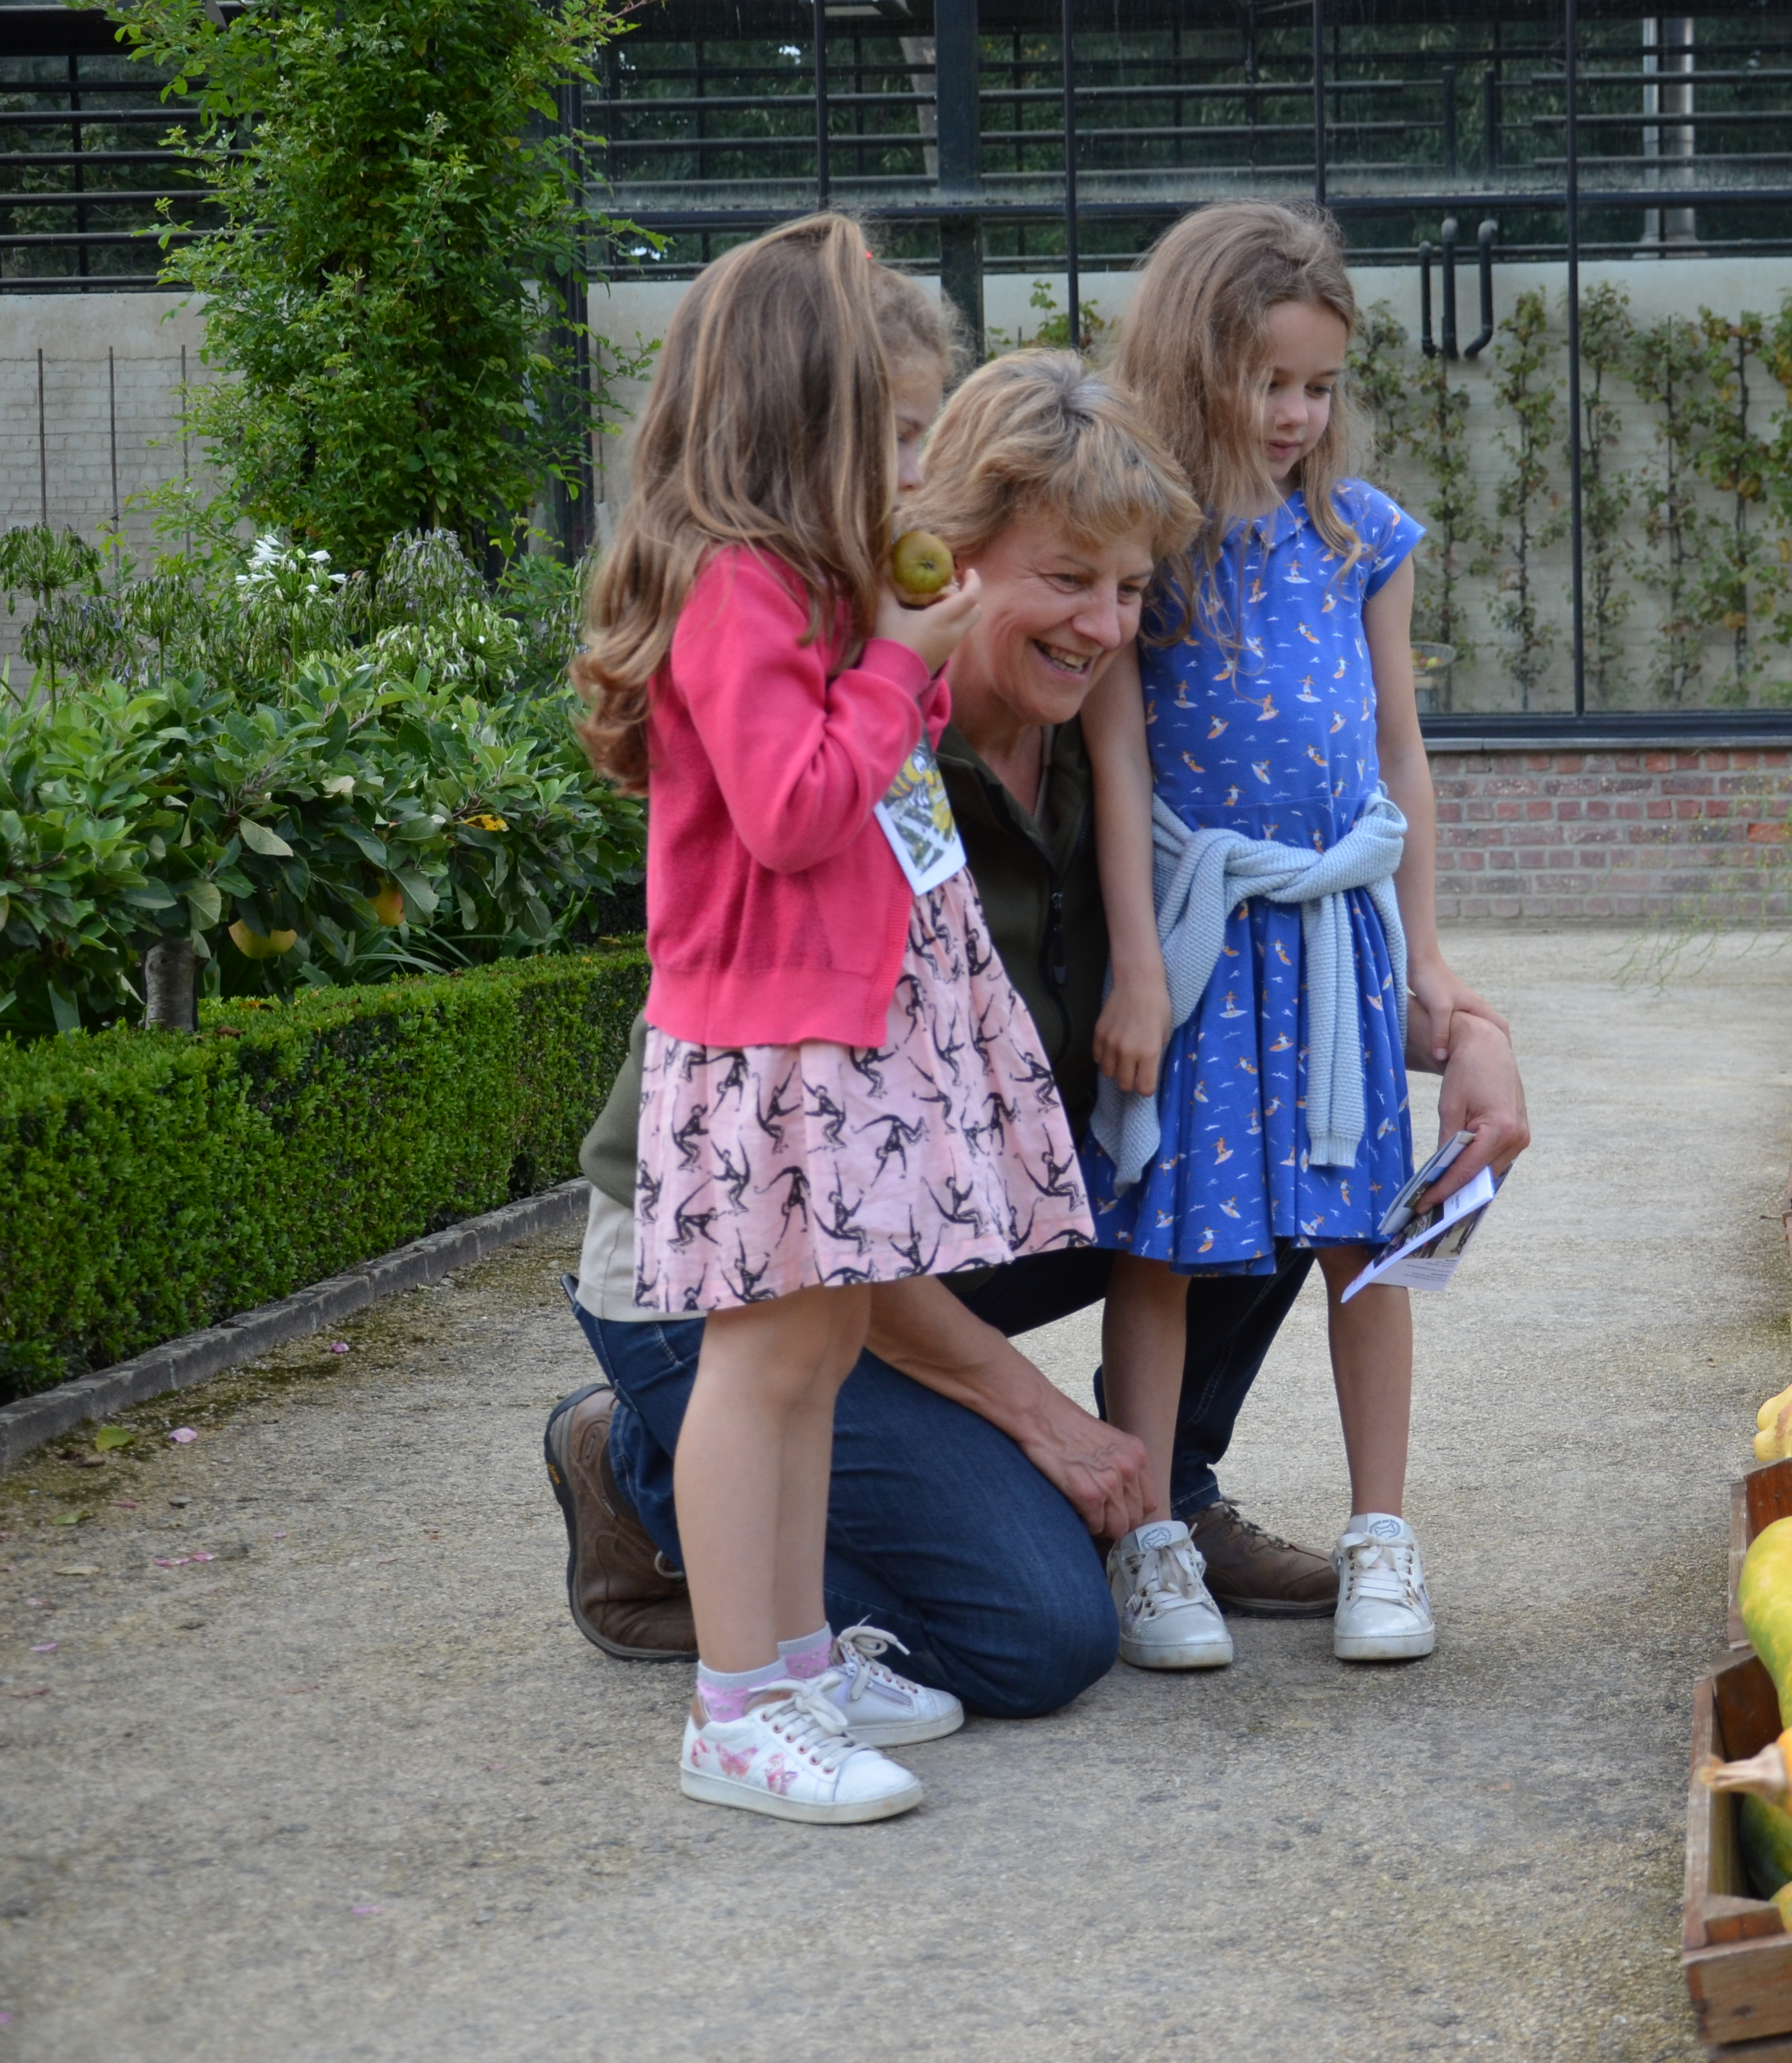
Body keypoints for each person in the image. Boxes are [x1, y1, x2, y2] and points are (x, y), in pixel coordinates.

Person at [547, 349, 1533, 1728]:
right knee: (1033, 1637)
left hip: (937, 1220)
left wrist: (1465, 1024)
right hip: (732, 1262)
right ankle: (644, 1476)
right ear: (945, 558)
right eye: (1064, 580)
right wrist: (1035, 1414)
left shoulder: (1108, 758)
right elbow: (823, 1174)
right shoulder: (869, 748)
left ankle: (1165, 1503)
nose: (1104, 626)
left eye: (1131, 591)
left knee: (1244, 1145)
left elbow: (1271, 974)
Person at [568, 215, 1103, 1825]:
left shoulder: (803, 587)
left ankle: (792, 1655)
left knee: (806, 1355)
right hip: (766, 1046)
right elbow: (800, 810)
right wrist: (891, 656)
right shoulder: (737, 588)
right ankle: (739, 1708)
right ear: (793, 419)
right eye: (892, 430)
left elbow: (861, 763)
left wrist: (888, 652)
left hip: (829, 1035)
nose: (915, 463)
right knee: (764, 1363)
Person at [1081, 201, 1489, 1674]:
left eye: (1317, 385)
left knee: (1362, 1242)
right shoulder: (1147, 547)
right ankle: (1150, 1541)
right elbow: (1118, 765)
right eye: (1266, 382)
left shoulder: (1357, 536)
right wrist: (1139, 964)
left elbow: (1401, 749)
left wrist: (1427, 956)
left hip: (1338, 945)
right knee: (1165, 1244)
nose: (1294, 414)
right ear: (1192, 365)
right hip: (1204, 948)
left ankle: (1382, 1533)